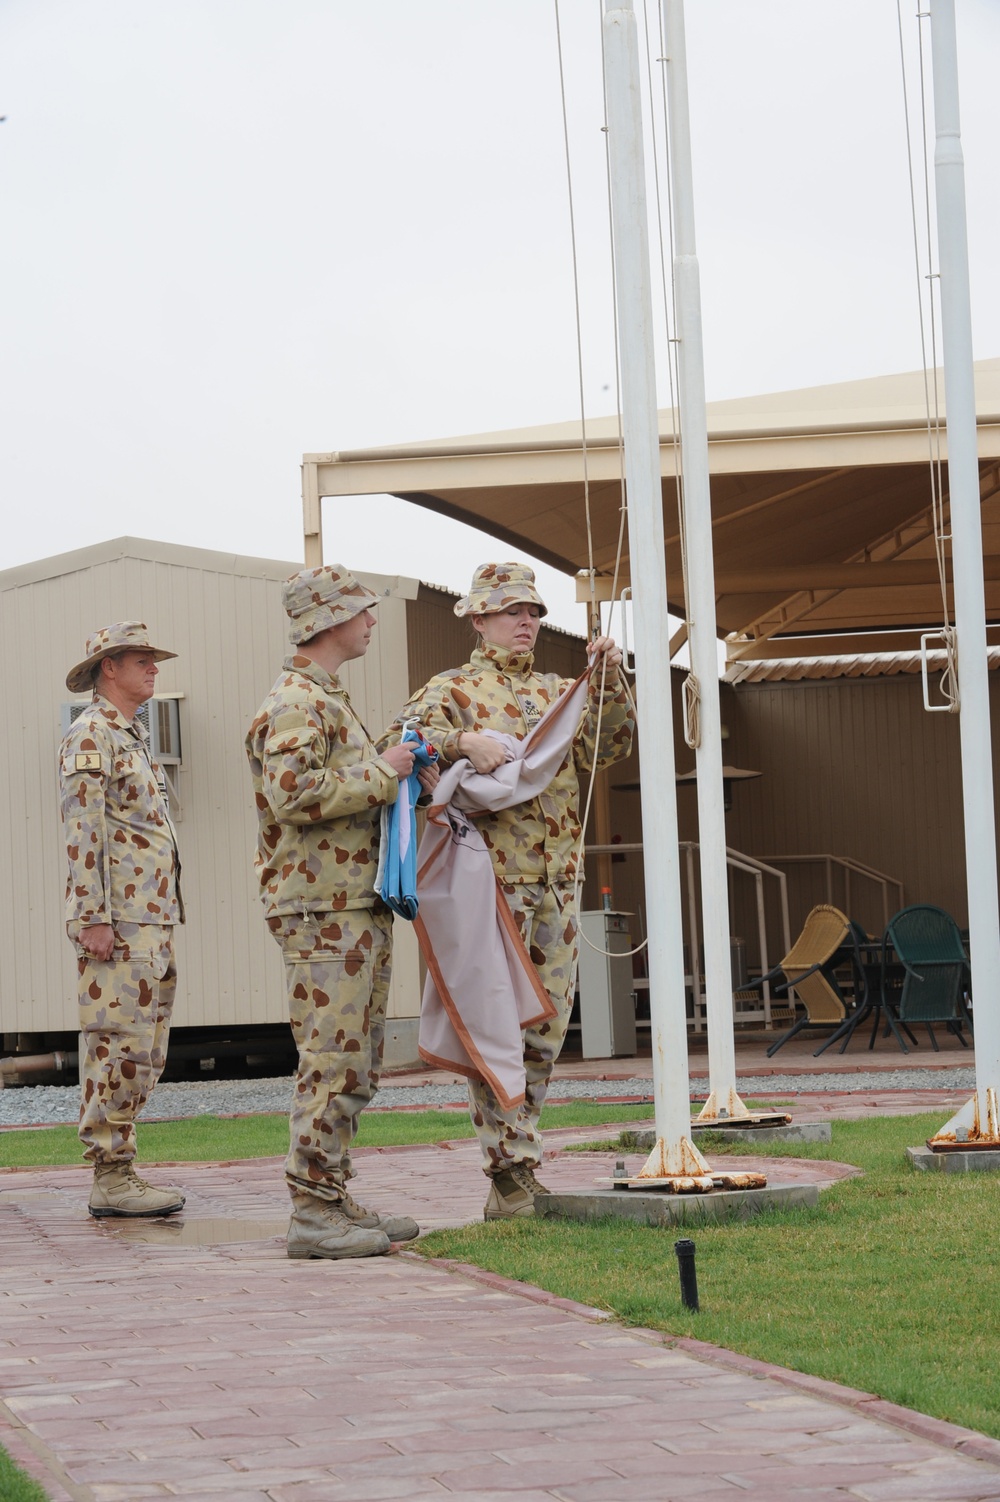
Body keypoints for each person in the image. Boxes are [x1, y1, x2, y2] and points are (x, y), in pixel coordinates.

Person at [383, 561, 635, 1219]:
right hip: (490, 887)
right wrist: (460, 738)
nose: (526, 622)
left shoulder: (558, 689)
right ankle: (510, 1174)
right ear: (478, 619)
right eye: (512, 612)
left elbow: (610, 749)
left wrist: (609, 680)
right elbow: (399, 746)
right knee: (498, 1025)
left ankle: (519, 1160)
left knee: (545, 1033)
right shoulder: (452, 690)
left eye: (533, 613)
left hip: (554, 886)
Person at [246, 564, 436, 1260]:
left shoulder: (325, 698)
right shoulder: (298, 700)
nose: (372, 620)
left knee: (354, 1060)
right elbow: (293, 794)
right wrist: (386, 769)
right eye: (362, 609)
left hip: (349, 903)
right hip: (323, 908)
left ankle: (330, 1192)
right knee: (332, 1059)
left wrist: (400, 771)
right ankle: (313, 1212)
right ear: (327, 619)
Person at [59, 622, 185, 1218]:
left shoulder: (129, 737)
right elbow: (83, 832)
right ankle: (111, 1176)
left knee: (146, 1048)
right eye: (142, 660)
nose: (154, 669)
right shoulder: (91, 736)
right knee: (117, 1045)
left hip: (150, 918)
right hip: (119, 923)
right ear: (110, 668)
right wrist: (93, 917)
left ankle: (121, 1168)